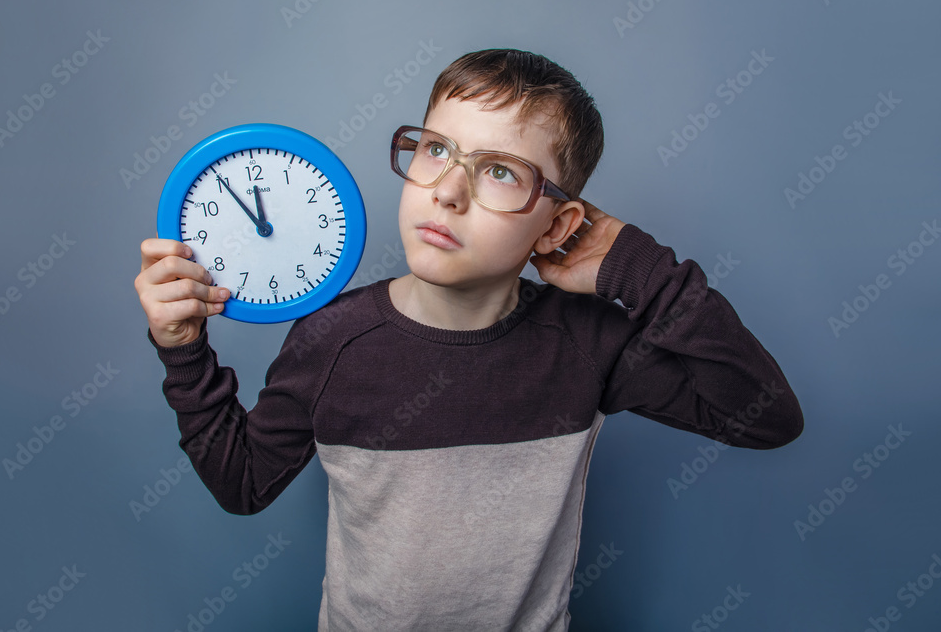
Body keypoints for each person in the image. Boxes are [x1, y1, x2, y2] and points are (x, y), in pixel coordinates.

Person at [134, 48, 803, 630]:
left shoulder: (587, 346)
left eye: (500, 171)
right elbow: (242, 482)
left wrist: (642, 268)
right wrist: (183, 348)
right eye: (435, 149)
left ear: (557, 224)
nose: (448, 190)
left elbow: (765, 415)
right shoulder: (330, 340)